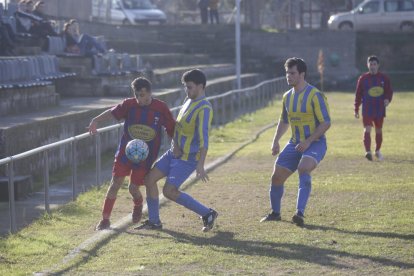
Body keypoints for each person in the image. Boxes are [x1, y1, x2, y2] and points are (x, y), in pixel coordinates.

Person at [88, 77, 176, 230]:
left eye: (145, 96)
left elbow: (171, 129)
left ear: (150, 93)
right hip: (125, 153)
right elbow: (112, 112)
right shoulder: (129, 105)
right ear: (135, 95)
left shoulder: (160, 108)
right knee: (115, 184)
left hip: (145, 157)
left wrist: (177, 146)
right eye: (139, 96)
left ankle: (138, 204)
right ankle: (105, 220)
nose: (142, 100)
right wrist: (96, 120)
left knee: (133, 188)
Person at [136, 69, 218, 232]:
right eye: (185, 87)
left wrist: (200, 165)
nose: (186, 90)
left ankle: (207, 213)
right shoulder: (188, 101)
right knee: (149, 179)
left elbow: (204, 139)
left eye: (189, 87)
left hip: (187, 159)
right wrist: (175, 144)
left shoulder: (205, 108)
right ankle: (154, 222)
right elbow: (177, 128)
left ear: (201, 86)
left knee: (169, 191)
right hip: (173, 153)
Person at [260, 57, 331, 227]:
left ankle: (299, 213)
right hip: (294, 143)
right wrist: (276, 141)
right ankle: (275, 213)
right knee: (276, 177)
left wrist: (309, 141)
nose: (288, 76)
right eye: (287, 73)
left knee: (303, 167)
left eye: (292, 73)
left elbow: (326, 122)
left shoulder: (315, 95)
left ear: (302, 74)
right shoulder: (287, 97)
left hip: (315, 142)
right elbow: (284, 121)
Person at [354, 55, 393, 161]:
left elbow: (389, 91)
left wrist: (387, 99)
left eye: (374, 64)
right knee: (367, 128)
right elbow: (358, 94)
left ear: (378, 65)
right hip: (367, 109)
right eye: (370, 64)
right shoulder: (363, 79)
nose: (372, 66)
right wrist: (356, 108)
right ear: (367, 65)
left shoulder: (384, 78)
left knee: (379, 130)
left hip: (379, 109)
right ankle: (368, 151)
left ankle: (377, 150)